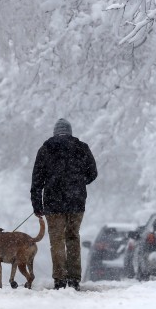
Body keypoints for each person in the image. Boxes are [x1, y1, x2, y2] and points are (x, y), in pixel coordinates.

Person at [30, 118, 97, 290]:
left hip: (53, 203)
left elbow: (37, 179)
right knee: (73, 238)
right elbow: (93, 173)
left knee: (57, 240)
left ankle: (60, 279)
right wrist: (79, 182)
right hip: (76, 201)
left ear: (55, 132)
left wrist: (37, 205)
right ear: (70, 132)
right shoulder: (82, 148)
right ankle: (74, 279)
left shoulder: (45, 149)